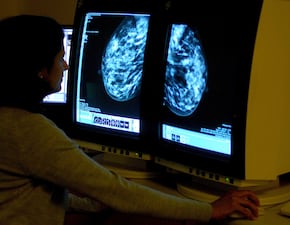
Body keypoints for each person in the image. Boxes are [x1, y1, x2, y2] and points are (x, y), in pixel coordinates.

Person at [0, 15, 260, 225]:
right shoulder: (30, 132)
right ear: (40, 71)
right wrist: (209, 211)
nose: (66, 66)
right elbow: (119, 192)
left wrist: (94, 205)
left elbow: (33, 195)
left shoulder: (9, 119)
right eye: (60, 58)